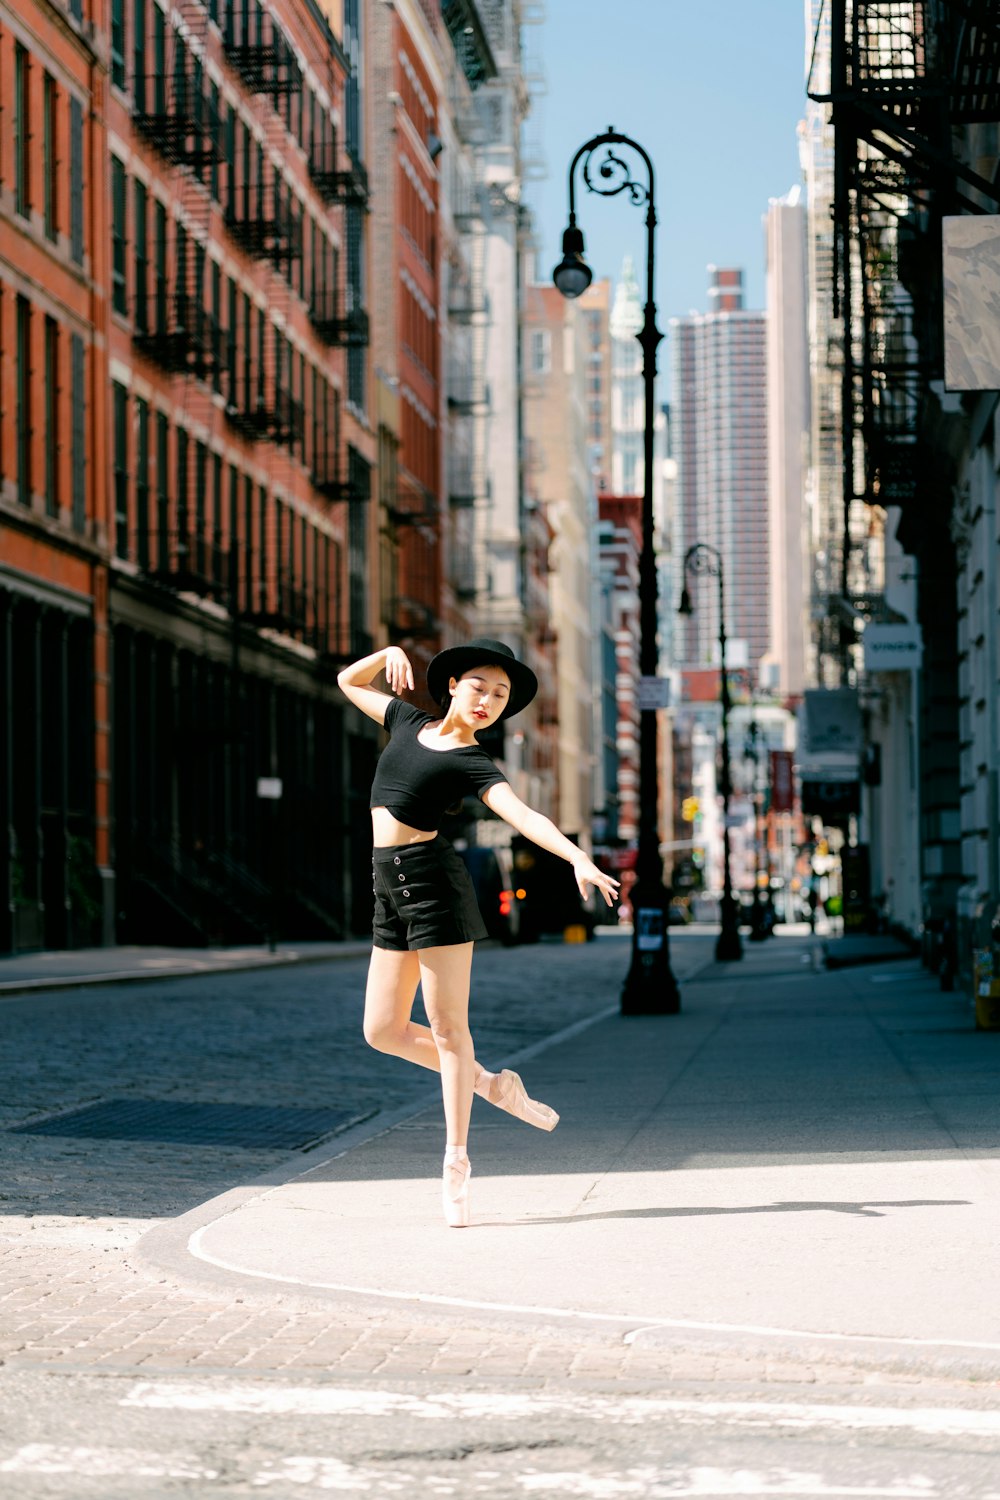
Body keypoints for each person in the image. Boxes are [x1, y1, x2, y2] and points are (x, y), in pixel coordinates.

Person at [337, 638, 619, 1227]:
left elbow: (522, 814)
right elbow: (348, 683)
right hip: (386, 885)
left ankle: (456, 1165)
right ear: (452, 686)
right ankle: (493, 1086)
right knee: (382, 1030)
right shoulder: (406, 719)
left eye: (501, 694)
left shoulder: (473, 761)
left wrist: (577, 858)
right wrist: (386, 651)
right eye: (480, 687)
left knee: (447, 1030)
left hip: (434, 885)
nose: (489, 700)